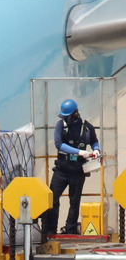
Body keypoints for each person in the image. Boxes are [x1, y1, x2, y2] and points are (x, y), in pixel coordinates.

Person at [43, 99, 100, 236]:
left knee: (75, 201)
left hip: (77, 171)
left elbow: (94, 141)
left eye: (67, 116)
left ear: (75, 114)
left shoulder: (86, 128)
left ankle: (71, 229)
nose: (65, 119)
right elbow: (59, 144)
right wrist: (79, 152)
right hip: (61, 170)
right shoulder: (60, 126)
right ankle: (50, 230)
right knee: (52, 199)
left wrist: (96, 150)